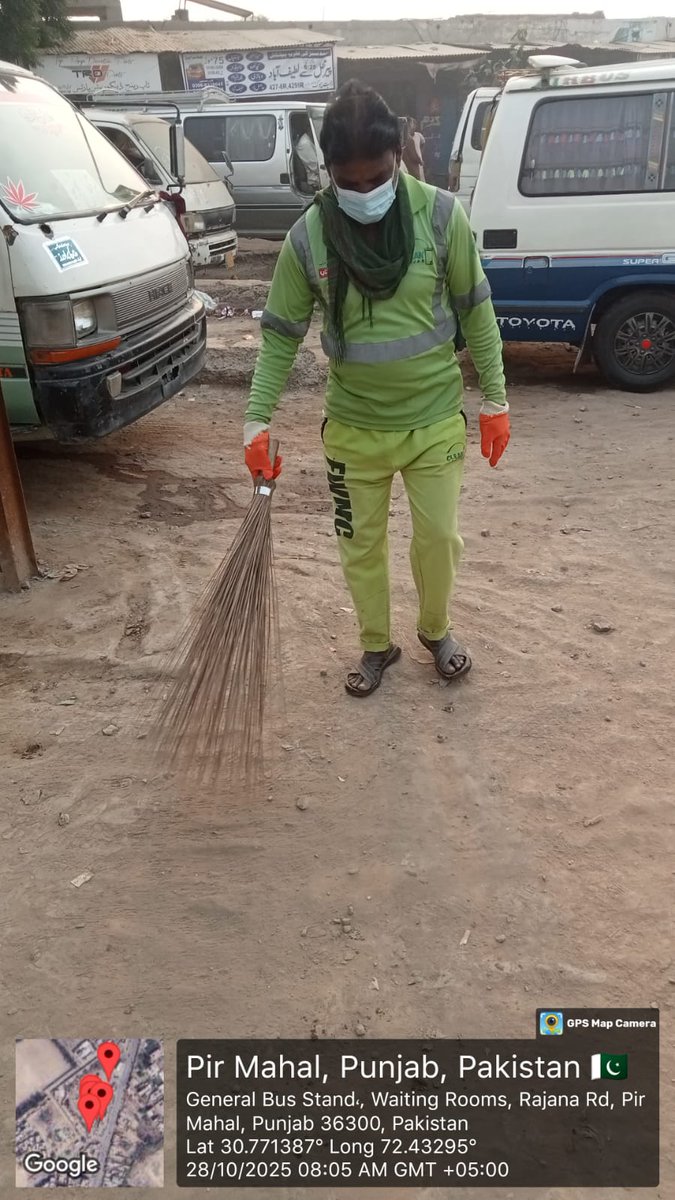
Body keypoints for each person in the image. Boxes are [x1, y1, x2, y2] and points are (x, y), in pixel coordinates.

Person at [244, 81, 509, 698]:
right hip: (353, 431)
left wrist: (495, 399)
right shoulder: (308, 237)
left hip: (434, 421)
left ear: (399, 161)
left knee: (439, 538)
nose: (365, 192)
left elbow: (476, 310)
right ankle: (374, 644)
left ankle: (436, 631)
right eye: (350, 181)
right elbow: (281, 337)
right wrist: (255, 421)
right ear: (329, 171)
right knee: (359, 547)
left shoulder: (442, 217)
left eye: (378, 177)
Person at [400, 116, 424, 180]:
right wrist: (420, 161)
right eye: (412, 124)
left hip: (404, 169)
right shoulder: (409, 139)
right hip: (412, 170)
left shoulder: (400, 139)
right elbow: (414, 156)